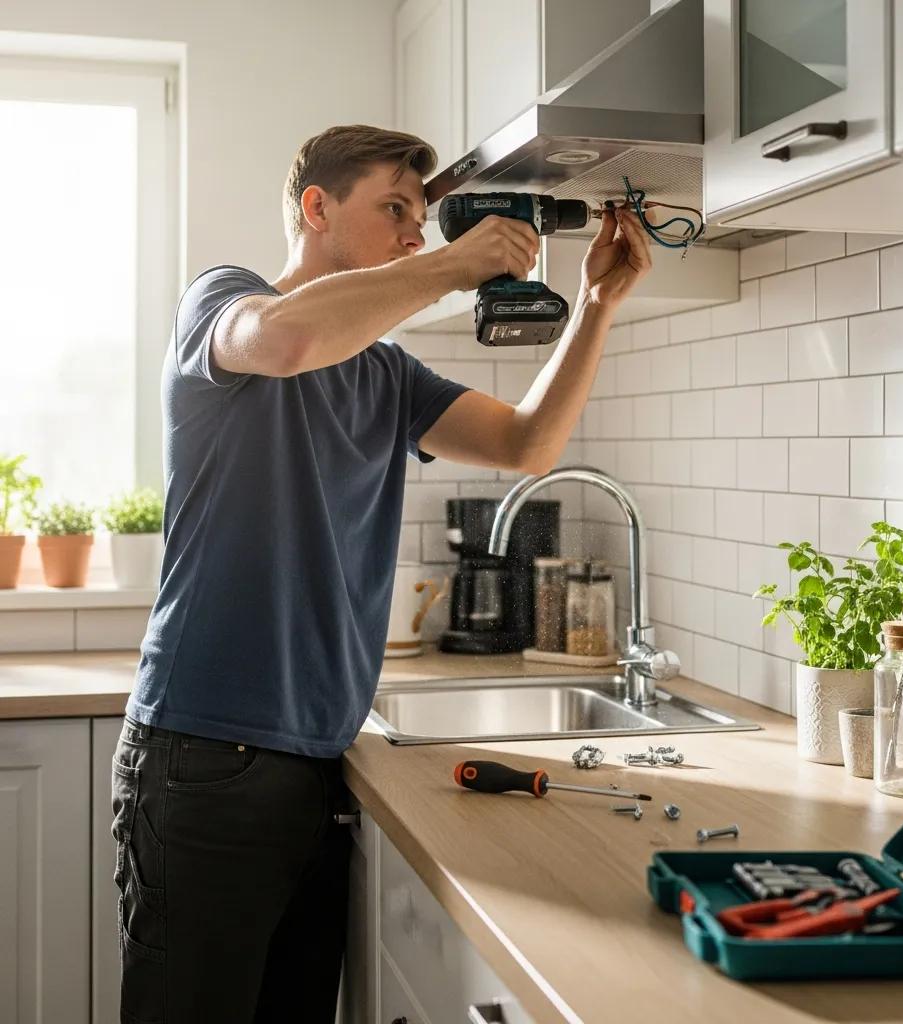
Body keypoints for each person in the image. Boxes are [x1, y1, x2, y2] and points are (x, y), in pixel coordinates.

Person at [111, 123, 652, 1023]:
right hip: (204, 757)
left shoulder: (387, 375)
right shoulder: (225, 304)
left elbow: (529, 444)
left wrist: (597, 302)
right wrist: (451, 267)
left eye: (420, 217)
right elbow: (280, 342)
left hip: (318, 765)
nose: (414, 233)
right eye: (395, 209)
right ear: (316, 209)